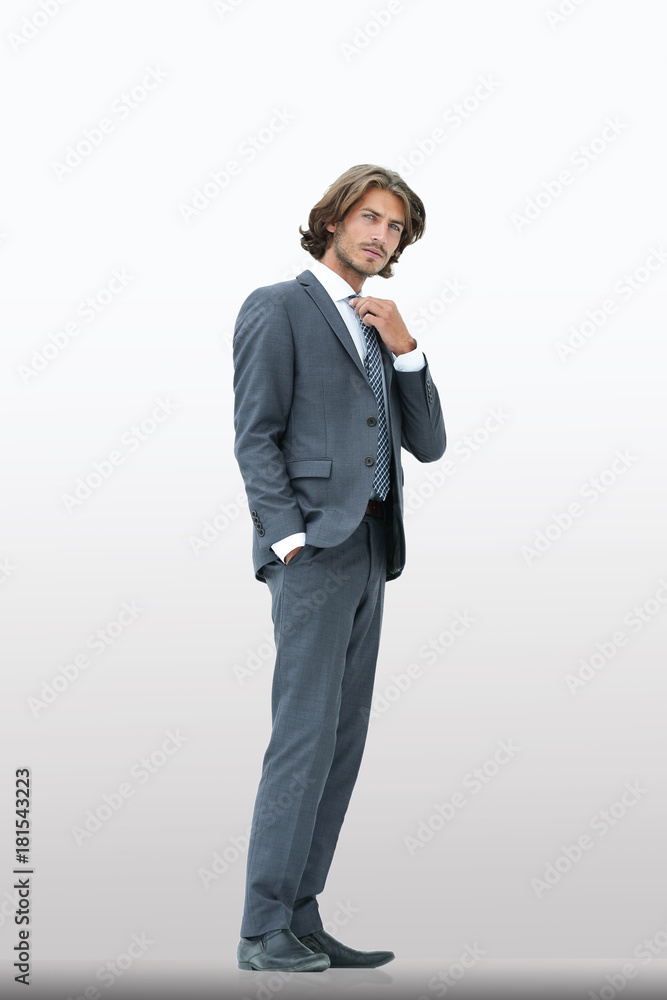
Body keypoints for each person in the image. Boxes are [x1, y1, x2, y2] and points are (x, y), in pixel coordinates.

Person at [232, 163, 446, 973]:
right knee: (302, 739)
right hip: (314, 552)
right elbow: (255, 435)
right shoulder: (278, 307)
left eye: (393, 227)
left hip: (372, 551)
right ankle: (261, 929)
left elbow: (427, 444)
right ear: (332, 219)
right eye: (367, 216)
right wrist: (286, 541)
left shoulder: (377, 324)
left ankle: (301, 916)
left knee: (341, 742)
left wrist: (407, 349)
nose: (378, 234)